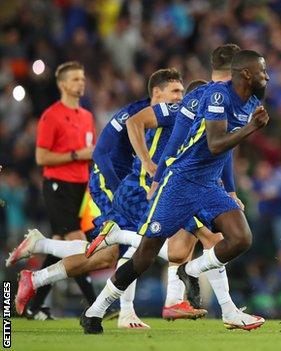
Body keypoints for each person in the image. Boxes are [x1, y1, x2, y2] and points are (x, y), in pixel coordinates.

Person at [80, 50, 270, 334]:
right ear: (244, 73)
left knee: (241, 238)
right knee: (144, 255)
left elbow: (224, 151)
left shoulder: (251, 100)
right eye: (262, 71)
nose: (266, 77)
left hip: (207, 185)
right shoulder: (218, 97)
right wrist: (251, 128)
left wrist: (229, 189)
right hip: (179, 183)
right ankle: (94, 312)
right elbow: (217, 143)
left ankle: (191, 274)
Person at [10, 68, 186, 327]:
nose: (180, 97)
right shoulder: (131, 114)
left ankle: (39, 260)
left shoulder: (170, 119)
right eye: (175, 91)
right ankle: (126, 312)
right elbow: (102, 154)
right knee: (136, 243)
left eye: (182, 91)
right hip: (108, 181)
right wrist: (117, 193)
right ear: (157, 93)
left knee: (107, 255)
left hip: (133, 187)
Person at [31, 61, 96, 319]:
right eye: (75, 79)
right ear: (62, 84)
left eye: (82, 78)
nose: (81, 83)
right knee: (78, 244)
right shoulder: (52, 115)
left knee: (60, 245)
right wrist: (76, 154)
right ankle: (95, 305)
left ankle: (32, 304)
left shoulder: (88, 116)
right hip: (58, 185)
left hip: (82, 187)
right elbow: (41, 157)